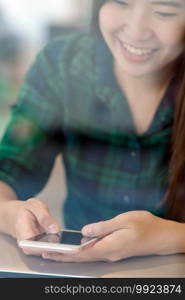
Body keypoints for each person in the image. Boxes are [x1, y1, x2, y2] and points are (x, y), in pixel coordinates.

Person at [0, 0, 185, 263]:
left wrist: (171, 237)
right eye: (121, 2)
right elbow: (9, 169)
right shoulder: (61, 64)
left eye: (163, 12)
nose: (135, 31)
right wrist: (12, 214)